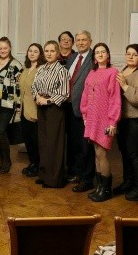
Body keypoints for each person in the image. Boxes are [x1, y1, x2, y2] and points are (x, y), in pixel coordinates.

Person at [80, 43, 121, 202]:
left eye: (103, 52)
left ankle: (106, 189)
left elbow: (115, 98)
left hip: (105, 119)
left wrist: (112, 122)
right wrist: (85, 115)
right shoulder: (92, 72)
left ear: (108, 55)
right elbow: (85, 94)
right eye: (97, 52)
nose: (100, 54)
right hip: (92, 118)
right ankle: (99, 187)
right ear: (94, 57)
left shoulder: (113, 72)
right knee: (96, 153)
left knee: (101, 153)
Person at [115, 44, 138, 201]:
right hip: (124, 119)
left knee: (135, 154)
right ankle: (128, 182)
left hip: (137, 120)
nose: (130, 57)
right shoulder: (124, 70)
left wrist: (124, 86)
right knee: (125, 153)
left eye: (135, 54)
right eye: (128, 54)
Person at [32, 40, 70, 188]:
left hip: (54, 109)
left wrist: (47, 101)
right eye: (46, 51)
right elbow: (34, 86)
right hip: (41, 107)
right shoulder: (41, 68)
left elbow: (64, 93)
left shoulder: (62, 70)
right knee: (43, 142)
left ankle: (54, 179)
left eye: (52, 51)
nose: (49, 54)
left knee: (54, 143)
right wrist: (37, 97)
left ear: (57, 53)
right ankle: (44, 174)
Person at [66, 30, 95, 192]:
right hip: (70, 107)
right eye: (78, 40)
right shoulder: (72, 58)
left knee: (86, 146)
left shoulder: (94, 58)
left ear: (90, 41)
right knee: (75, 143)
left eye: (84, 40)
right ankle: (78, 173)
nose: (81, 43)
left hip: (86, 110)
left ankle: (87, 179)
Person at [0, 37, 23, 175]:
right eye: (0, 48)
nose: (2, 50)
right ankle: (1, 161)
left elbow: (20, 87)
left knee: (0, 131)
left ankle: (7, 161)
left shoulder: (16, 65)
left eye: (5, 48)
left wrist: (18, 105)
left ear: (10, 48)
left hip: (8, 103)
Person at [20, 43, 45, 178]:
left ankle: (38, 165)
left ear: (40, 54)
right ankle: (32, 162)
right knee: (28, 139)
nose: (32, 53)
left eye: (35, 51)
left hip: (35, 110)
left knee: (36, 141)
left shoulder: (41, 69)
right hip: (24, 109)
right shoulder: (26, 69)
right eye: (30, 51)